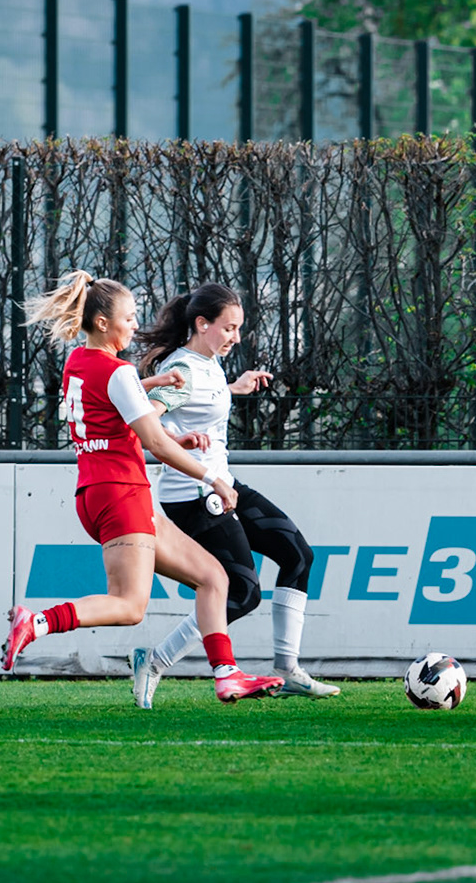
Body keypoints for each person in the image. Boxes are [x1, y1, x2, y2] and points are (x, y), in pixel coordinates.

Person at [1, 270, 285, 706]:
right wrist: (211, 478)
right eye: (129, 318)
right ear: (102, 323)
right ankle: (37, 622)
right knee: (130, 606)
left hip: (96, 492)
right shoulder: (118, 372)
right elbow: (152, 441)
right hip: (123, 494)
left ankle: (227, 675)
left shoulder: (78, 362)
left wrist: (155, 394)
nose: (135, 326)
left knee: (214, 578)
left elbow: (109, 406)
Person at [130, 282, 340, 703]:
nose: (236, 337)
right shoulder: (184, 369)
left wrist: (234, 388)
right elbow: (147, 422)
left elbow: (201, 398)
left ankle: (288, 669)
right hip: (194, 494)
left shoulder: (207, 364)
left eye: (238, 328)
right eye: (229, 328)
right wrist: (180, 439)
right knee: (242, 593)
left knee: (298, 556)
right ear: (201, 324)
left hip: (223, 483)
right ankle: (153, 660)